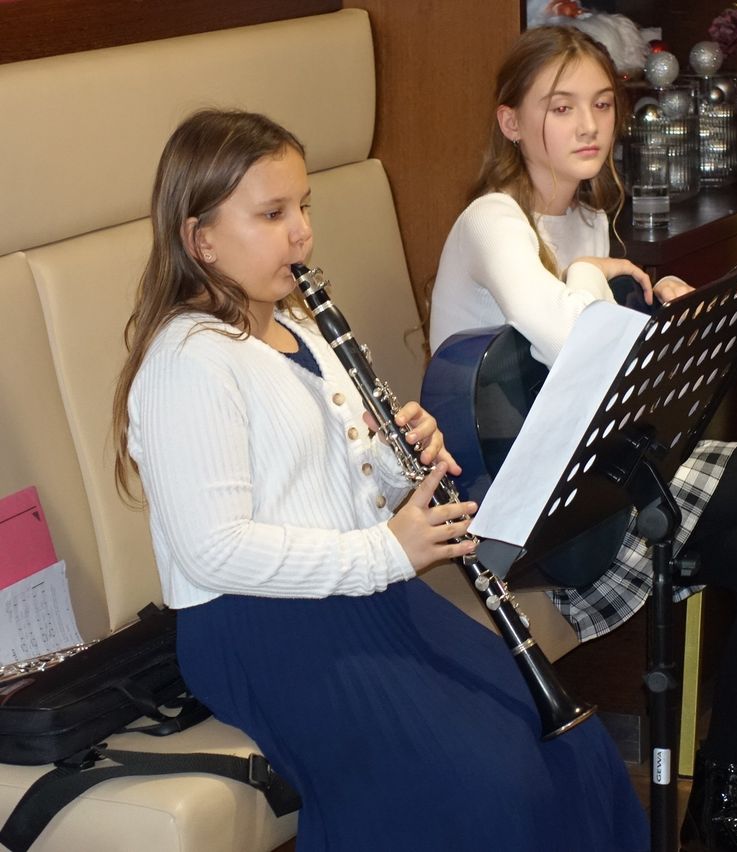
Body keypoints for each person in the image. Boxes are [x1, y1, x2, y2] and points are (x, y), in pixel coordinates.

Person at [111, 108, 650, 852]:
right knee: (486, 784)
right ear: (200, 239)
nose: (300, 232)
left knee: (570, 744)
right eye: (272, 214)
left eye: (303, 207)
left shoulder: (295, 323)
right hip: (261, 626)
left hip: (364, 594)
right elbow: (214, 550)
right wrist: (389, 552)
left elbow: (342, 489)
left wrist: (402, 462)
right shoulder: (188, 361)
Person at [428, 25, 737, 852]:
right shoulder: (494, 220)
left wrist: (660, 313)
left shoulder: (588, 215)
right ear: (511, 122)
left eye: (601, 104)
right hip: (523, 510)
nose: (590, 125)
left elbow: (607, 372)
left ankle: (721, 802)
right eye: (561, 107)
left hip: (590, 477)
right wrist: (597, 284)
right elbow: (565, 336)